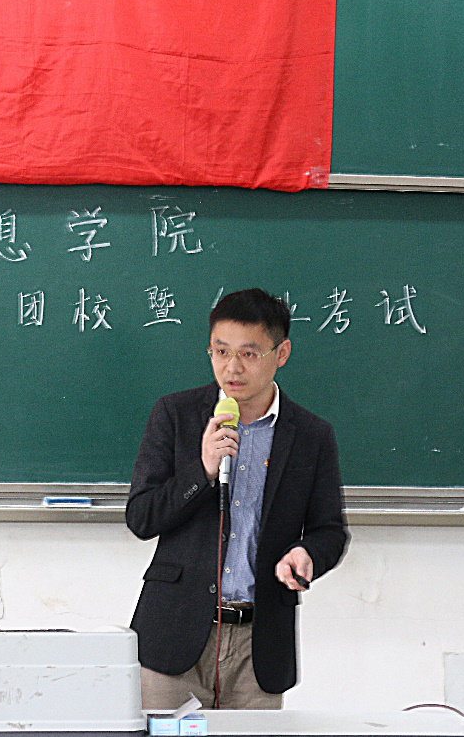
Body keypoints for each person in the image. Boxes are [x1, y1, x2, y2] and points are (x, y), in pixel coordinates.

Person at [125, 288, 348, 710]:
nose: (232, 367)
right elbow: (141, 517)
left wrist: (307, 554)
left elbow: (330, 532)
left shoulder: (311, 435)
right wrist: (202, 470)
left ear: (281, 353)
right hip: (173, 635)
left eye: (248, 354)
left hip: (259, 645)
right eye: (221, 351)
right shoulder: (175, 414)